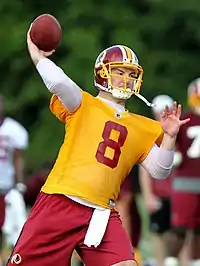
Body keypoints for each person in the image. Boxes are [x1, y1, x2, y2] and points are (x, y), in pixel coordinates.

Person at [7, 27, 189, 266]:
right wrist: (38, 57)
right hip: (61, 202)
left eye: (130, 73)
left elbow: (160, 170)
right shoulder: (83, 105)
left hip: (102, 213)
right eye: (119, 71)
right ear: (102, 74)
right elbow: (60, 83)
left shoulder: (142, 126)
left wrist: (169, 137)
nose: (126, 78)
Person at [140, 95, 191, 266]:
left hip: (179, 192)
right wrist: (148, 195)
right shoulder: (151, 133)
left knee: (181, 234)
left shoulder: (180, 133)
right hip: (161, 193)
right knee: (160, 235)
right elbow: (144, 169)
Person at [164, 78, 200, 266]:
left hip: (187, 182)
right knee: (180, 227)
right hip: (186, 182)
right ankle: (171, 260)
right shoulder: (184, 120)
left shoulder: (186, 120)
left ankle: (193, 261)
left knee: (194, 228)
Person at [0, 94, 28, 265]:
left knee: (12, 232)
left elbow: (18, 157)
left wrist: (20, 183)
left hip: (6, 187)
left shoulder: (13, 129)